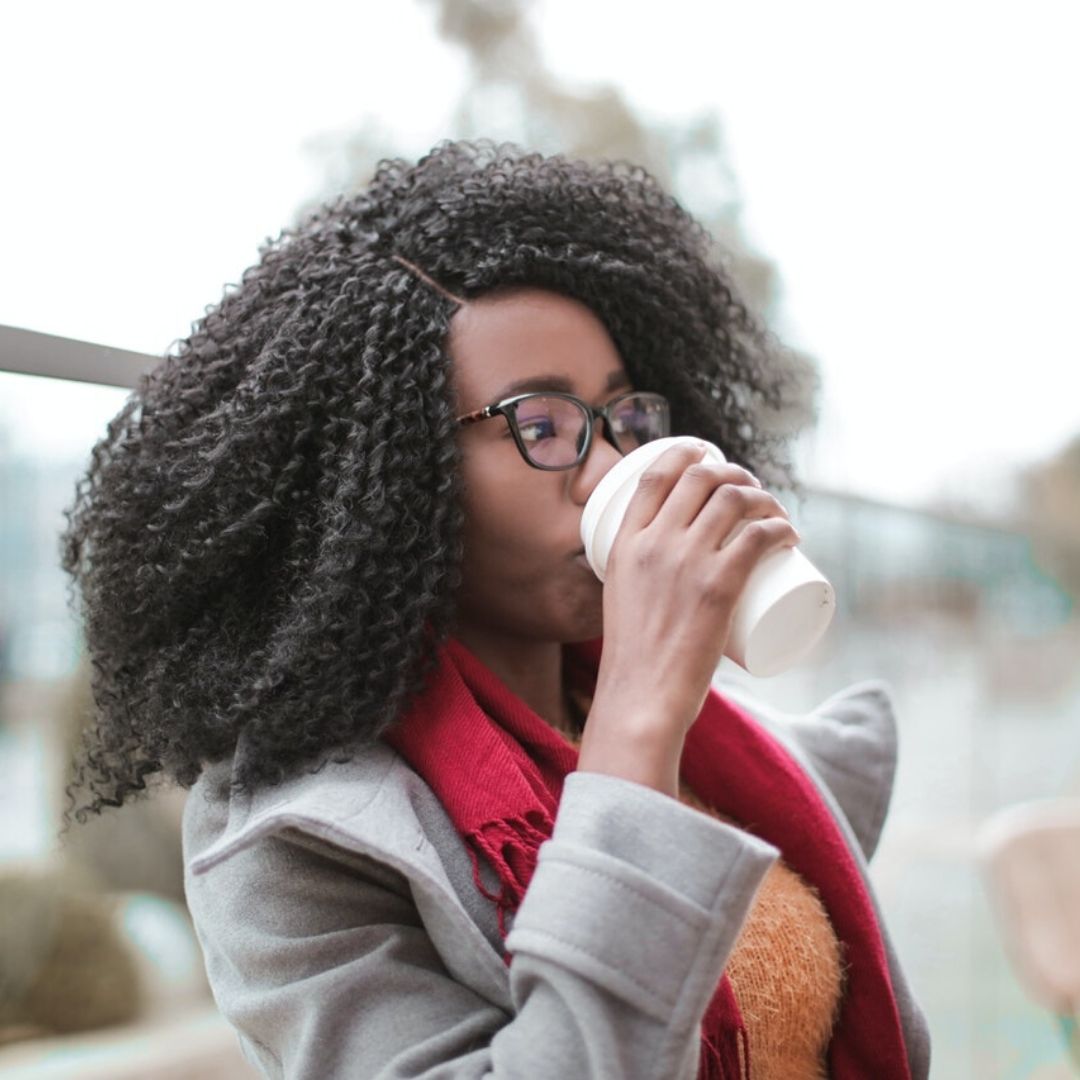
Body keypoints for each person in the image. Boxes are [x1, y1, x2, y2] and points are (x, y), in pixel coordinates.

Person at [60, 138, 930, 1078]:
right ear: (393, 480)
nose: (607, 471)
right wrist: (639, 720)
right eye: (541, 425)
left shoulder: (708, 741)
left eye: (621, 417)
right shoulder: (293, 843)